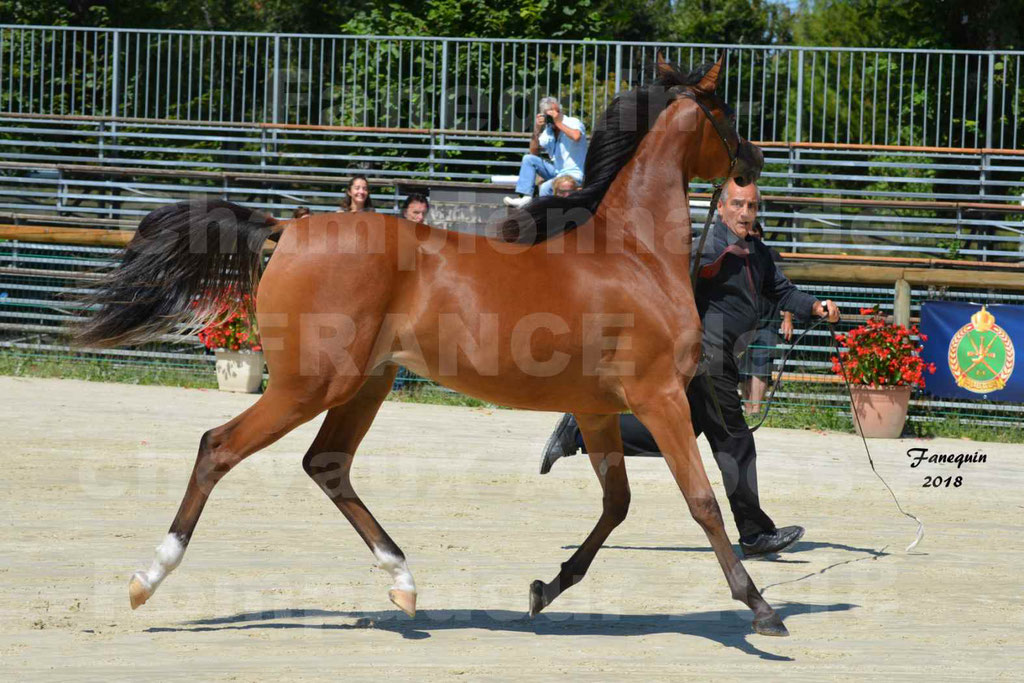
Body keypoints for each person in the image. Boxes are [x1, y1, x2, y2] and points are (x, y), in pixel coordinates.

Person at [539, 179, 842, 559]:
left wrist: (816, 307)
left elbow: (783, 293)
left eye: (751, 206)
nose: (745, 213)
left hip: (725, 359)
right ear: (720, 207)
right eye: (737, 205)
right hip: (704, 359)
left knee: (676, 435)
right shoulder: (703, 248)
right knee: (735, 440)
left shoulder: (759, 254)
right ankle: (753, 532)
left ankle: (581, 432)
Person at [740, 223, 793, 415]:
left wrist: (787, 318)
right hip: (744, 322)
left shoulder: (771, 256)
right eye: (750, 232)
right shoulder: (738, 253)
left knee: (761, 367)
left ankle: (756, 409)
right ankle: (747, 408)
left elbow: (786, 287)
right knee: (743, 369)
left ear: (761, 235)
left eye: (756, 232)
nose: (753, 235)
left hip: (768, 321)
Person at [503, 97, 587, 208]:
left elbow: (576, 136)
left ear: (558, 111)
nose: (550, 119)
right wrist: (537, 129)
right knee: (528, 159)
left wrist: (558, 123)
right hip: (557, 172)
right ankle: (526, 197)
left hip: (573, 174)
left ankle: (544, 215)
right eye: (547, 116)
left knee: (545, 187)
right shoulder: (549, 129)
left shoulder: (573, 122)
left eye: (552, 115)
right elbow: (533, 151)